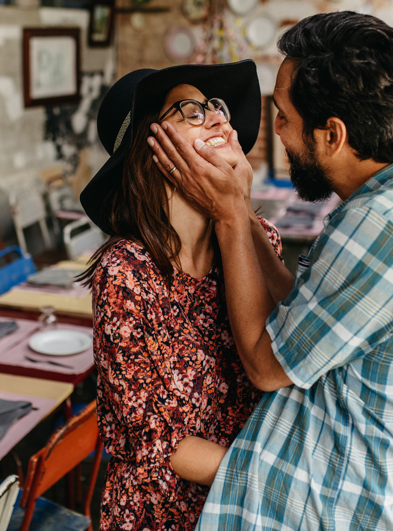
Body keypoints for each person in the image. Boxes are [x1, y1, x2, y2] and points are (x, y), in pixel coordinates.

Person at [148, 12, 393, 530]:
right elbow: (302, 317)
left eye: (284, 116)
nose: (273, 128)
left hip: (365, 507)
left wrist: (230, 216)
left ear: (332, 135)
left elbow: (265, 365)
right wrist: (239, 208)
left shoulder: (380, 225)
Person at [78, 61, 283, 531]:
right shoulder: (127, 274)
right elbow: (161, 443)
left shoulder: (260, 241)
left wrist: (240, 208)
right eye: (191, 111)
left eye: (216, 107)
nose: (218, 119)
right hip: (164, 513)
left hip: (247, 510)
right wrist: (277, 480)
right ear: (152, 150)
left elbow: (288, 357)